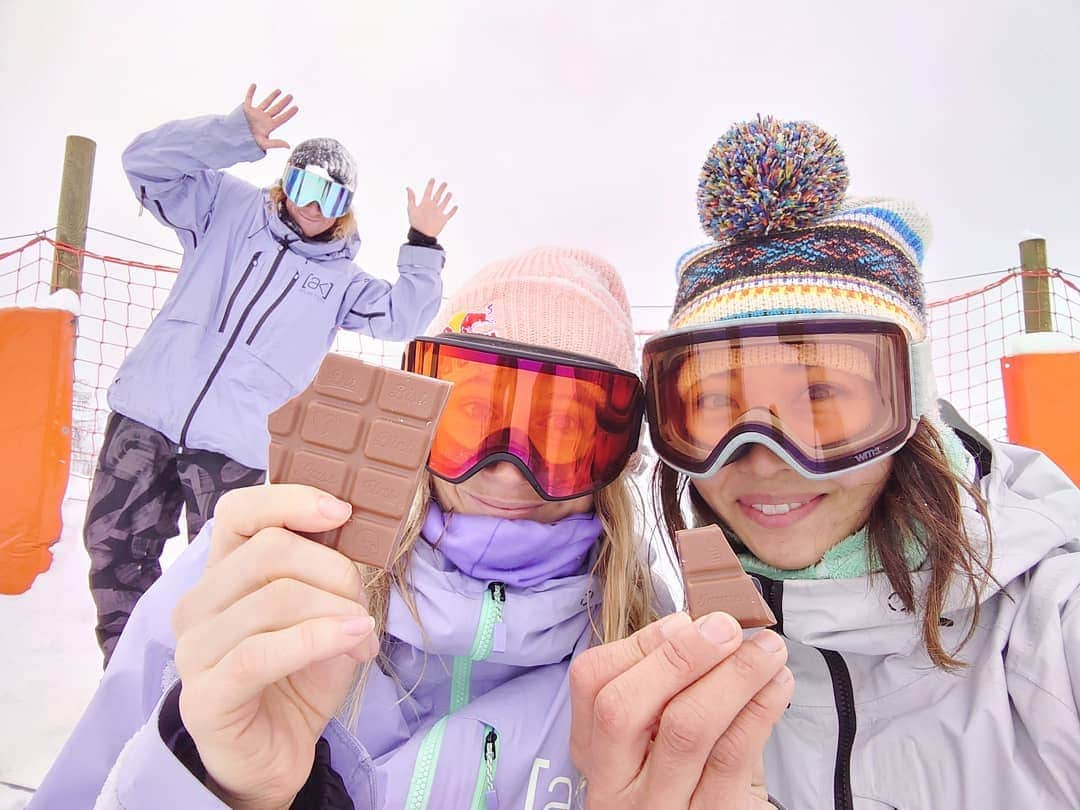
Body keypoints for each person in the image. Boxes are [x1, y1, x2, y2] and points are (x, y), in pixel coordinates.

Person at [33, 247, 793, 809]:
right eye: (473, 421)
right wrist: (210, 778)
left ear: (617, 457)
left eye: (560, 437)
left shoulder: (653, 657)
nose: (505, 469)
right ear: (416, 414)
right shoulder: (261, 574)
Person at [644, 116, 1080, 808]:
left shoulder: (1051, 629)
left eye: (822, 399)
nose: (763, 459)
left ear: (910, 412)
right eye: (718, 407)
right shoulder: (673, 665)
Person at [85, 84, 458, 664]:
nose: (314, 206)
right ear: (286, 184)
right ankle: (123, 674)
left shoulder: (342, 282)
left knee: (224, 574)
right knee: (113, 551)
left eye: (332, 197)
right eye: (306, 186)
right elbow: (144, 163)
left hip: (234, 447)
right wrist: (232, 135)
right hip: (148, 415)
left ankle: (197, 682)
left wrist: (422, 244)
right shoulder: (224, 210)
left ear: (346, 209)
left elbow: (403, 316)